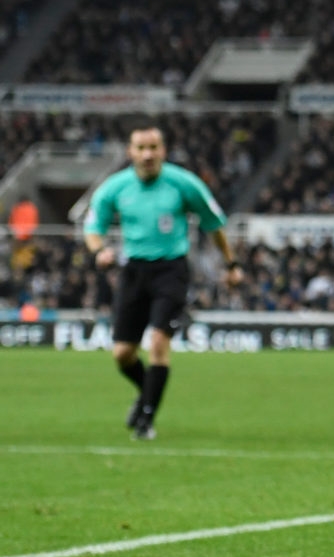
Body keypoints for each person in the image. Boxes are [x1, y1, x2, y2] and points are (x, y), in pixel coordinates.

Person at [84, 125, 242, 440]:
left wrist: (232, 264)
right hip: (133, 271)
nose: (147, 155)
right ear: (130, 152)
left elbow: (214, 224)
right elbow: (93, 226)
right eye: (141, 148)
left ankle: (146, 419)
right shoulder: (115, 187)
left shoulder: (184, 184)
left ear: (163, 151)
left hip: (171, 270)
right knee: (122, 354)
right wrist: (99, 251)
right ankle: (147, 394)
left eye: (153, 147)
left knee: (158, 343)